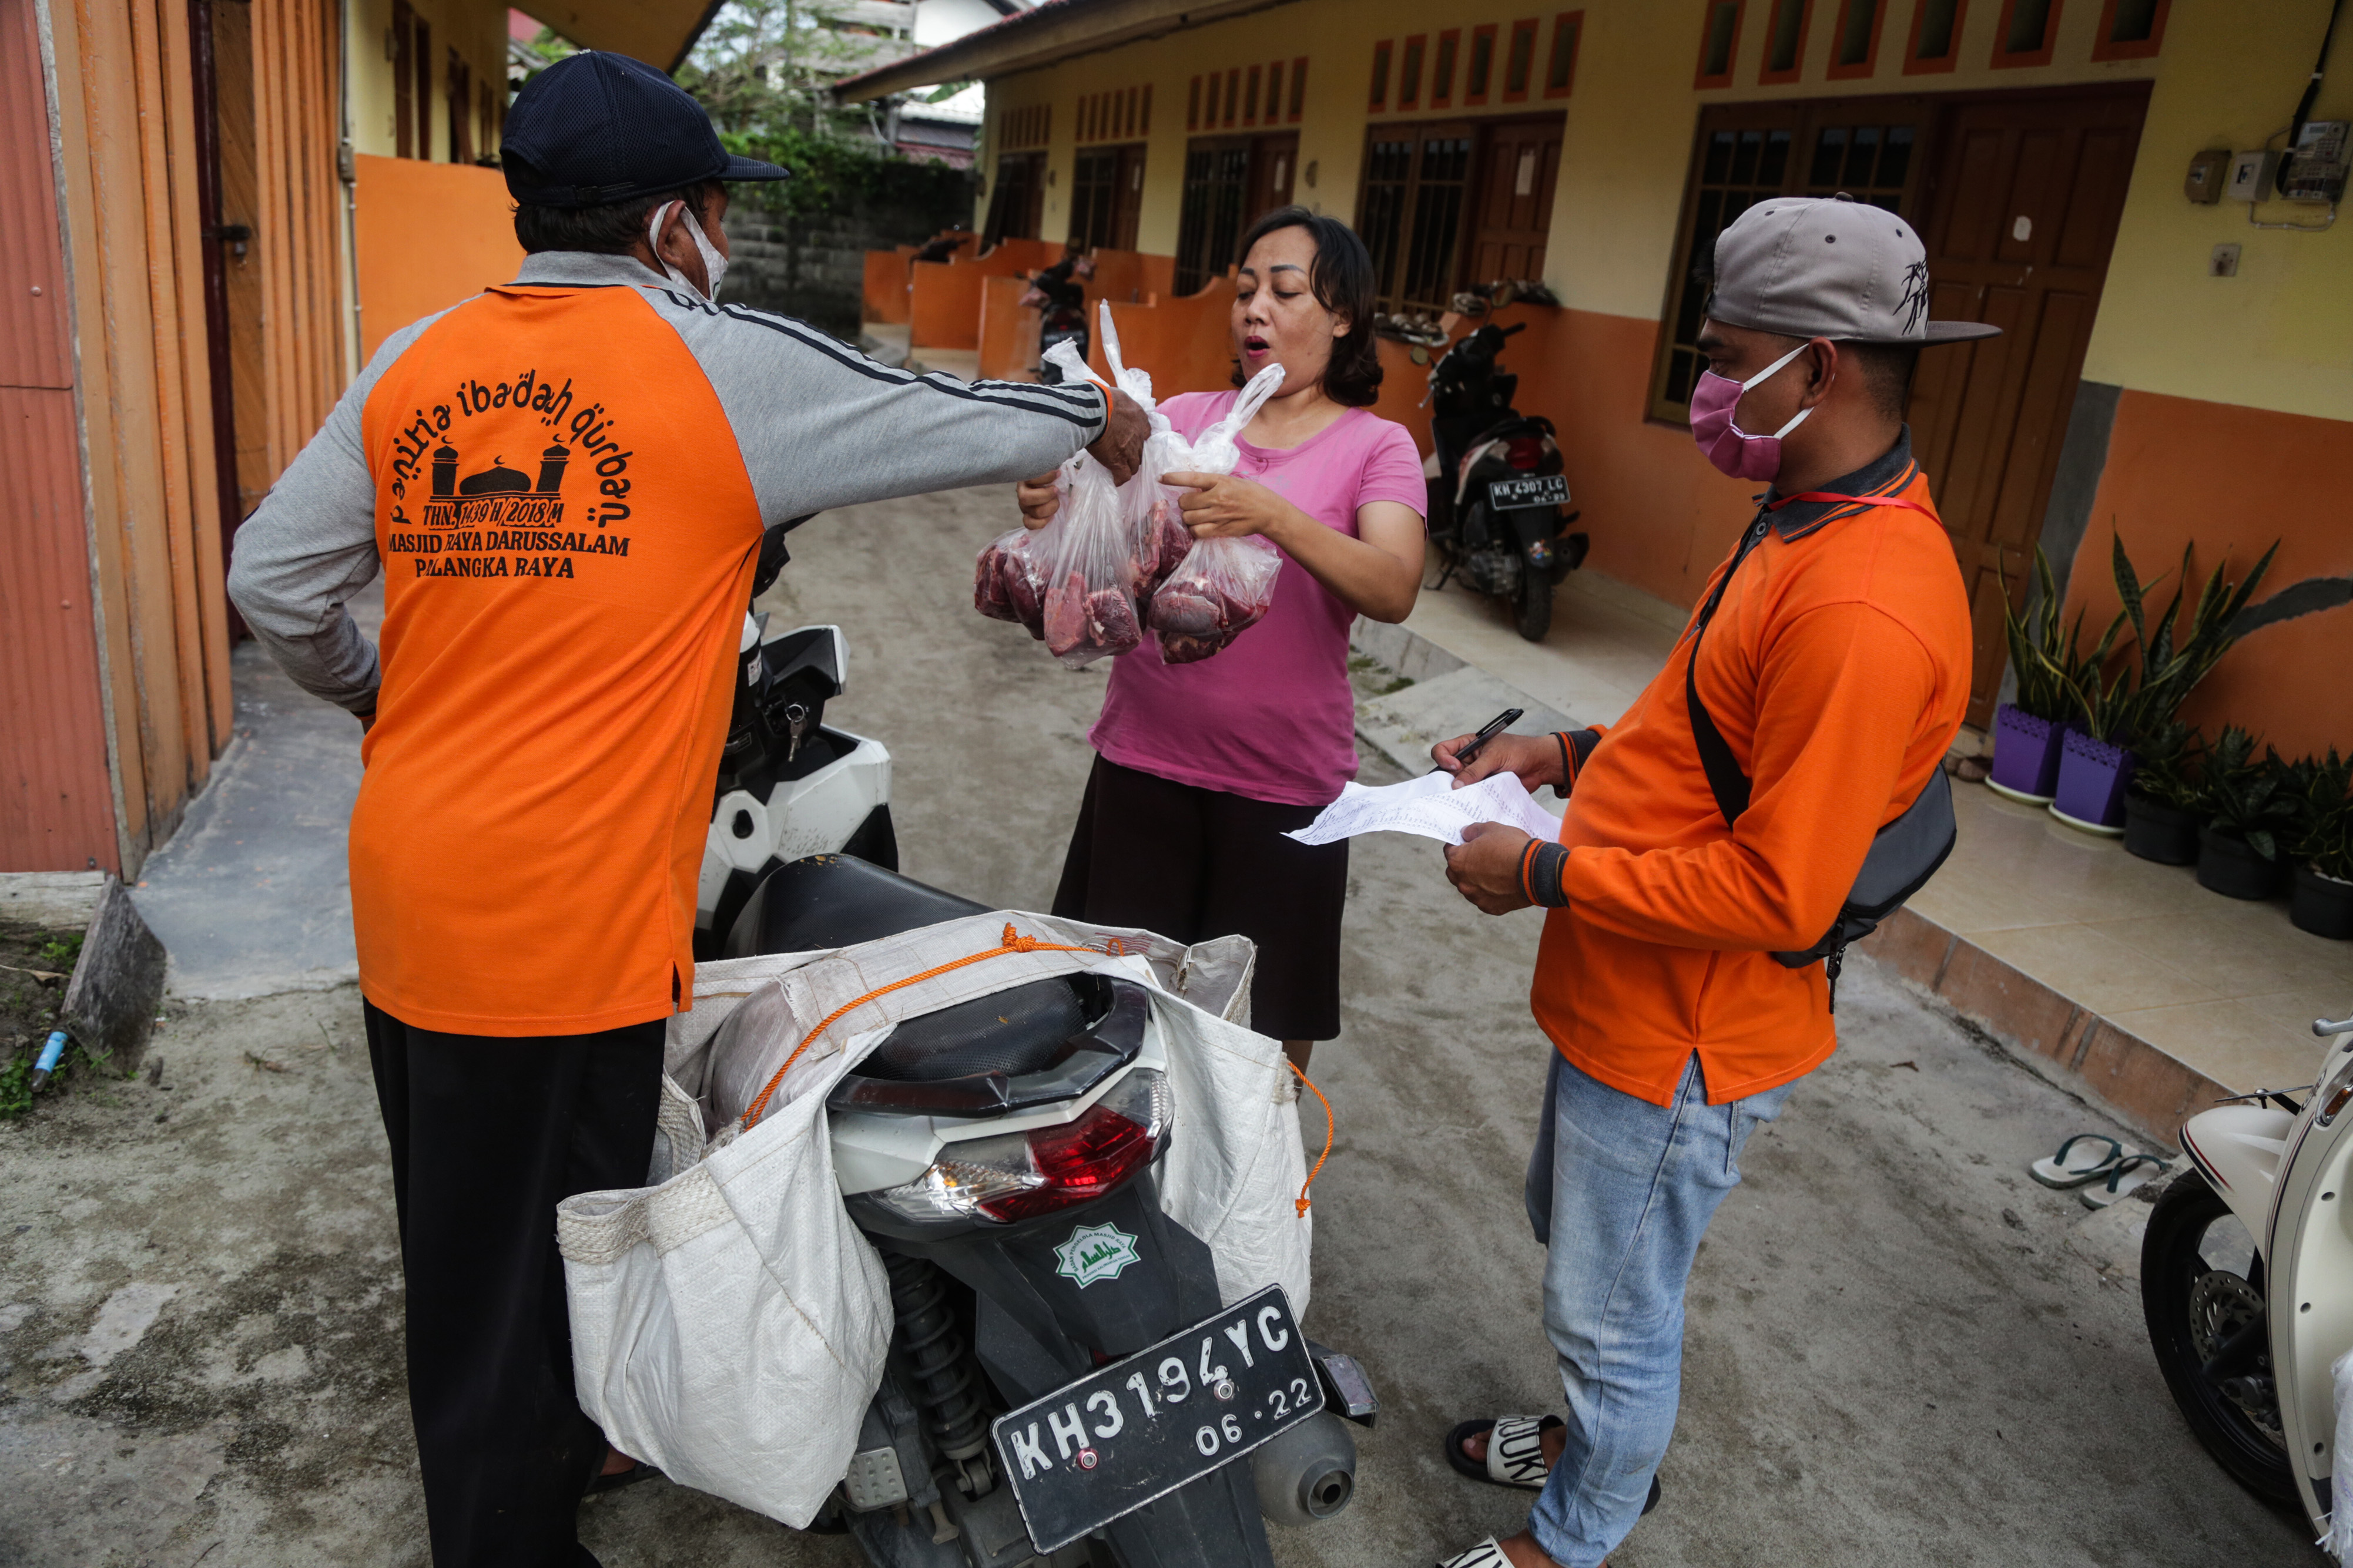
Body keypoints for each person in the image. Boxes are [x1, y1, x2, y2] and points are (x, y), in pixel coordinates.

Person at [225, 51, 1144, 1568]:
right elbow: (970, 420)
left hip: (413, 879)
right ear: (670, 227)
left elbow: (275, 579)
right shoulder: (722, 363)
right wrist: (1085, 408)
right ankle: (505, 1536)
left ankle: (554, 1429)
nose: (719, 238)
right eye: (716, 208)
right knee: (527, 1246)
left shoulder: (416, 359)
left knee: (492, 1224)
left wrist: (384, 693)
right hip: (566, 910)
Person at [1423, 195, 1992, 1568]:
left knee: (1610, 1312)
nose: (1714, 390)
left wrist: (1543, 873)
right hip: (1629, 995)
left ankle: (1575, 1534)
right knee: (1581, 1251)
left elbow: (1783, 895)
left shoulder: (1863, 601)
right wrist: (1559, 749)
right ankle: (1594, 1436)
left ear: (1822, 368)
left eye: (1735, 358)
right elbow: (1707, 734)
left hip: (1688, 1034)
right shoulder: (1801, 516)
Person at [1018, 206, 1425, 1072]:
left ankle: (1258, 1203)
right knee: (1114, 1031)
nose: (1254, 310)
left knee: (1258, 1048)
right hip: (1143, 765)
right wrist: (1056, 504)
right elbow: (1109, 529)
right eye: (1245, 291)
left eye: (1284, 291)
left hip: (1286, 792)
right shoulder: (1182, 418)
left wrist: (1272, 515)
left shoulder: (1374, 446)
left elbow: (1394, 585)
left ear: (1344, 313)